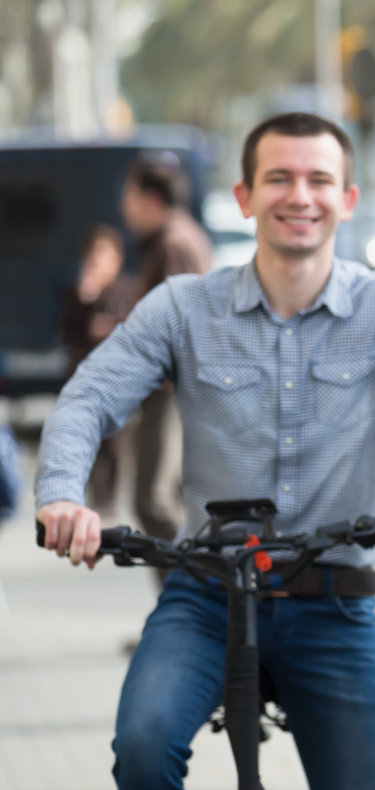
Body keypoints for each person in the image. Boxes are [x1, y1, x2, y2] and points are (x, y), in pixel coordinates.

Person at [35, 111, 375, 790]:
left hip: (333, 604)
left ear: (347, 198)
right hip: (206, 595)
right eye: (279, 178)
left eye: (318, 180)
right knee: (142, 751)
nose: (298, 196)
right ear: (244, 195)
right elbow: (88, 399)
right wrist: (60, 497)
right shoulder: (184, 308)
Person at [119, 150, 213, 544]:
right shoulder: (178, 237)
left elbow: (179, 324)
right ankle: (197, 575)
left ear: (151, 199)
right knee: (170, 498)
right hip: (176, 388)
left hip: (172, 390)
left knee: (154, 500)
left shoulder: (173, 243)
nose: (124, 208)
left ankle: (199, 576)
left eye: (129, 197)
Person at [57, 224, 134, 510]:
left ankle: (108, 502)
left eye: (102, 256)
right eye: (91, 257)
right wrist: (84, 299)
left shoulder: (128, 289)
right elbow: (67, 333)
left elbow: (135, 331)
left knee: (113, 444)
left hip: (116, 382)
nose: (96, 263)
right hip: (83, 379)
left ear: (116, 259)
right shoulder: (77, 292)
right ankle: (89, 500)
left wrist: (110, 328)